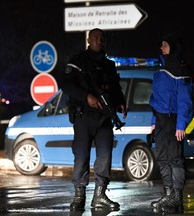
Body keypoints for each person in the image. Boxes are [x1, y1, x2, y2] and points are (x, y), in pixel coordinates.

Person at [59, 28, 127, 211]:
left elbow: (114, 87)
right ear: (89, 39)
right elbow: (66, 84)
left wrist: (121, 102)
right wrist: (86, 96)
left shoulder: (108, 65)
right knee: (81, 157)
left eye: (102, 38)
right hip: (84, 117)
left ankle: (100, 195)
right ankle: (79, 196)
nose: (99, 40)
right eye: (95, 37)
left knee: (105, 157)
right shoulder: (78, 61)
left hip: (104, 118)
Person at [149, 33, 193, 214]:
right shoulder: (161, 68)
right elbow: (155, 99)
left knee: (175, 159)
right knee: (161, 157)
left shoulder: (181, 70)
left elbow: (185, 100)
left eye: (164, 44)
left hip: (173, 119)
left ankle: (177, 196)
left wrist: (181, 124)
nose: (161, 47)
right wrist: (153, 122)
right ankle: (168, 193)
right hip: (160, 119)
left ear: (173, 47)